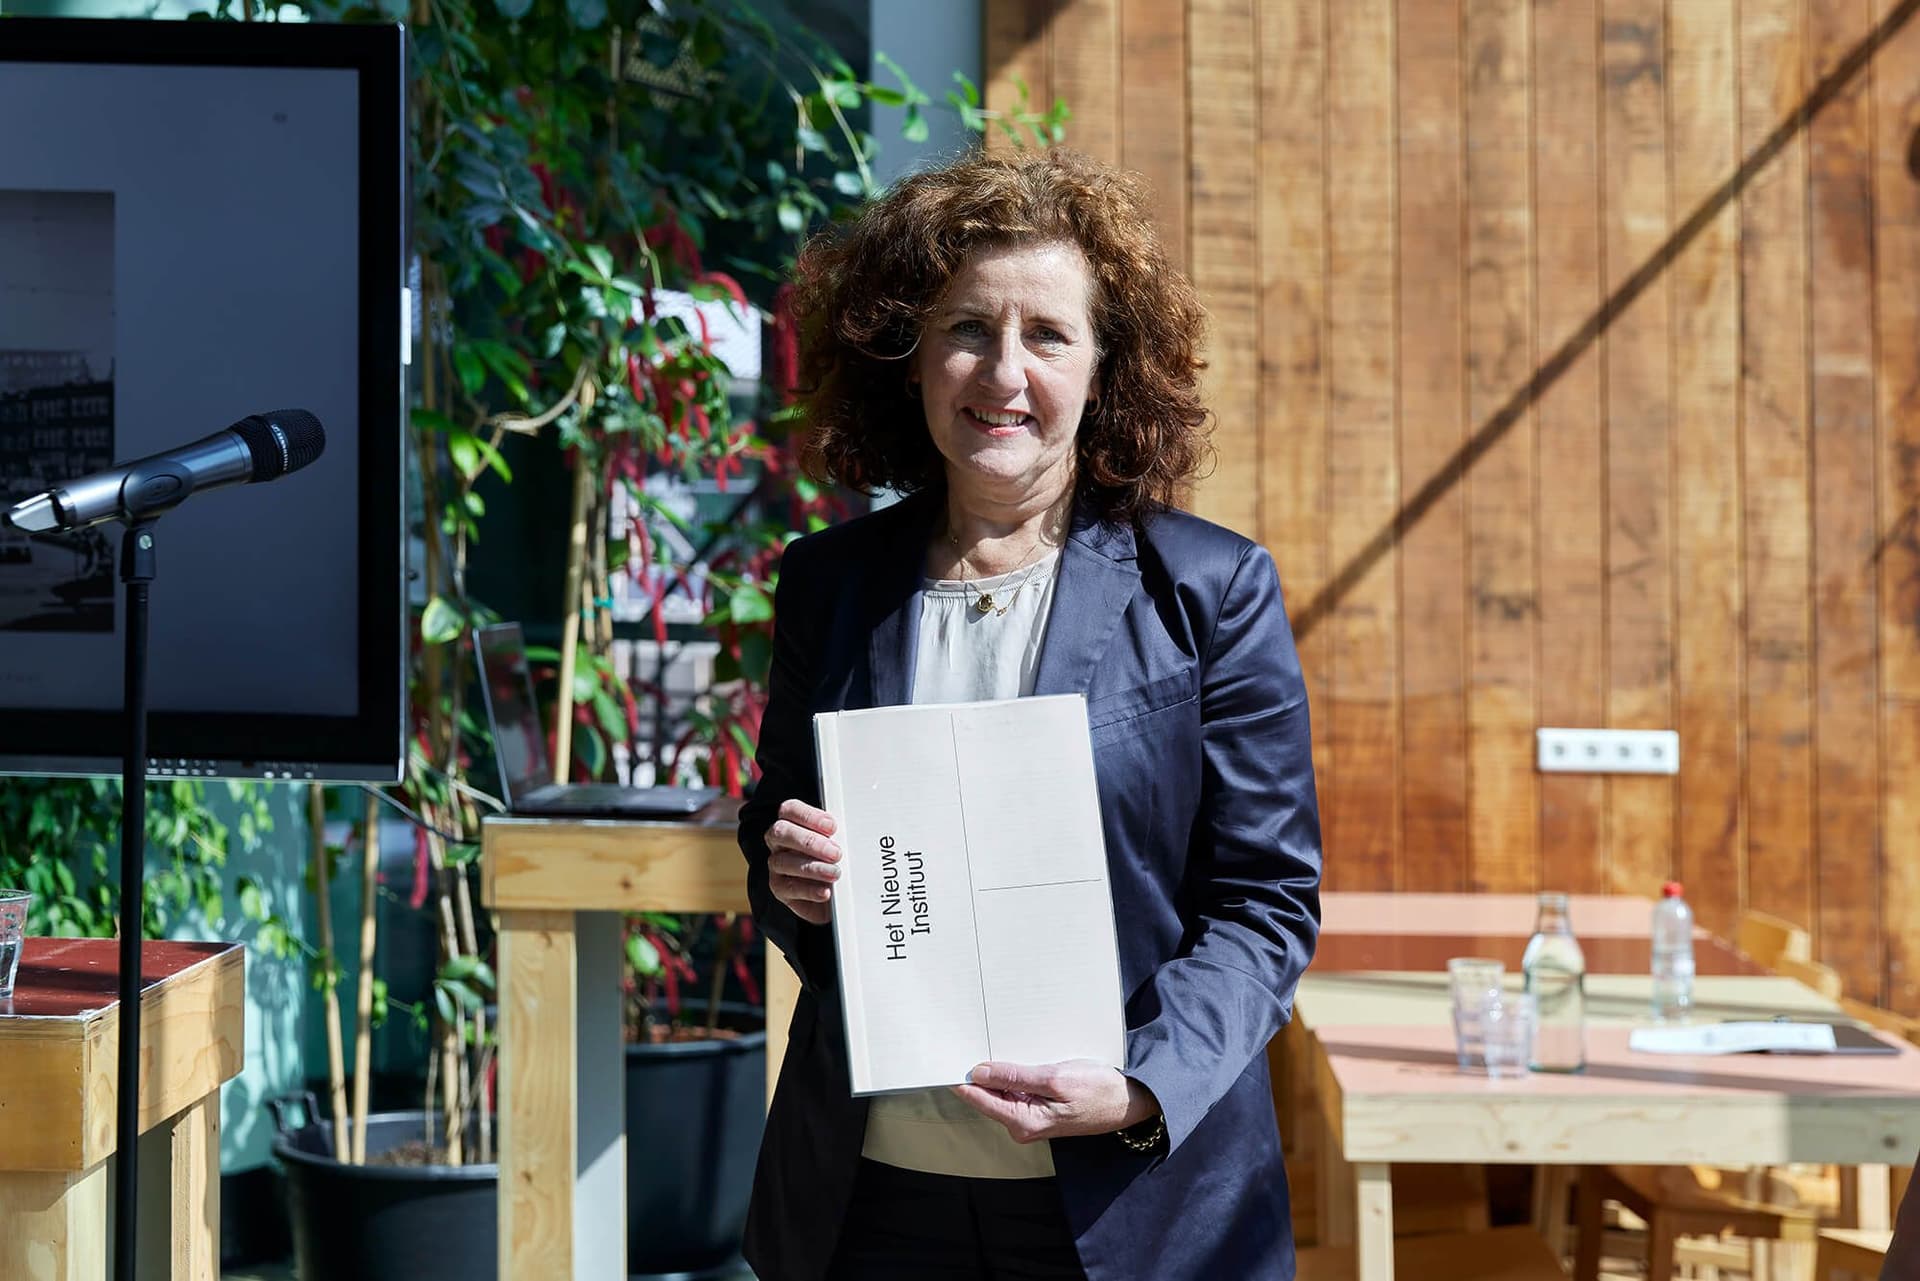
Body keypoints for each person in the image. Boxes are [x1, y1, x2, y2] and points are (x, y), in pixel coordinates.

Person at [738, 147, 1323, 1281]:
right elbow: (778, 845)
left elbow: (1265, 906)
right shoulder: (830, 584)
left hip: (1136, 1191)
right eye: (966, 328)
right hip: (872, 1197)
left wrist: (1139, 1085)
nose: (1002, 371)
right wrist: (791, 873)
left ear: (1104, 369)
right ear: (908, 358)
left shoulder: (1211, 592)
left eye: (1047, 335)